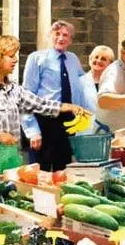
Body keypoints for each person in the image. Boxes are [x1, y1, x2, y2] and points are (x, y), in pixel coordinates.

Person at [0, 35, 86, 177]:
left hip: (11, 166)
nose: (15, 60)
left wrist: (69, 107)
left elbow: (41, 104)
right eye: (10, 56)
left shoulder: (15, 89)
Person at [21, 20, 86, 171]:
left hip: (67, 125)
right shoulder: (36, 58)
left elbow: (83, 86)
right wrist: (32, 131)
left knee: (63, 172)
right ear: (50, 35)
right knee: (39, 174)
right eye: (57, 34)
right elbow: (26, 97)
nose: (61, 38)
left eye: (65, 35)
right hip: (44, 122)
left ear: (70, 40)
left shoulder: (73, 59)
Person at [80, 45, 115, 132]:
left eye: (103, 59)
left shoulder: (115, 84)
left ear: (110, 64)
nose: (98, 60)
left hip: (108, 132)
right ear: (90, 59)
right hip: (84, 132)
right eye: (96, 57)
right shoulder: (79, 82)